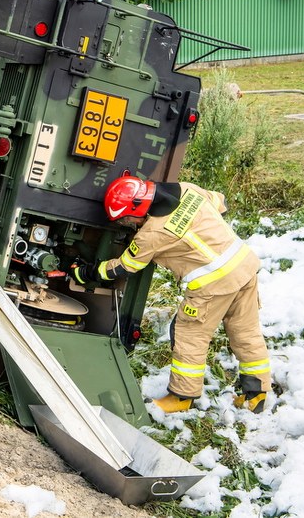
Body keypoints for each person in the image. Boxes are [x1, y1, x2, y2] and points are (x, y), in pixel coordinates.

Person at [70, 174, 271, 414]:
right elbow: (221, 203)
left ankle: (181, 397)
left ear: (139, 207)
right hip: (245, 266)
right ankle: (256, 394)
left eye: (125, 218)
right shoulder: (187, 190)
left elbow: (125, 267)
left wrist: (85, 273)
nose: (125, 223)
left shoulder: (151, 235)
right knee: (245, 330)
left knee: (189, 334)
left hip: (213, 284)